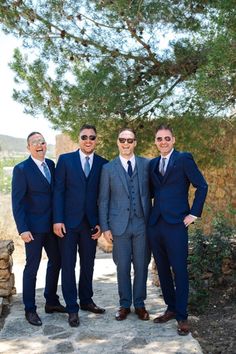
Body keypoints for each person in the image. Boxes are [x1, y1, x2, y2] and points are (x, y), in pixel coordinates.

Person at [148, 124, 208, 335]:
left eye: (166, 138)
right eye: (159, 139)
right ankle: (171, 308)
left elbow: (202, 186)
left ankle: (182, 316)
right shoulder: (153, 164)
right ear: (156, 142)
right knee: (162, 269)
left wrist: (193, 214)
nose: (163, 142)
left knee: (179, 270)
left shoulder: (183, 159)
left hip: (176, 225)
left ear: (173, 140)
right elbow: (149, 193)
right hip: (155, 225)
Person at [53, 124, 108, 327]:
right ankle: (72, 308)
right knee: (68, 266)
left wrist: (101, 223)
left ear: (96, 140)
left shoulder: (103, 163)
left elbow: (103, 197)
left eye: (92, 137)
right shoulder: (66, 160)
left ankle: (86, 300)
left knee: (88, 264)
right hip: (67, 223)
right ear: (79, 138)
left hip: (90, 225)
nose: (88, 140)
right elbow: (58, 191)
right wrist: (57, 220)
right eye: (84, 136)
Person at [11, 132, 65, 327]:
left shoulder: (51, 165)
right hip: (33, 229)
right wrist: (23, 229)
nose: (40, 145)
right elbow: (16, 202)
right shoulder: (21, 169)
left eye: (42, 142)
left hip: (52, 227)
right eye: (35, 143)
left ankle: (51, 301)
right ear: (28, 148)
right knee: (32, 268)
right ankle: (30, 308)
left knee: (57, 261)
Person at [99, 128, 151, 321]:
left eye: (130, 140)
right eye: (122, 140)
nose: (126, 143)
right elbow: (103, 200)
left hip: (142, 224)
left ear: (135, 143)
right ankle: (124, 305)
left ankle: (139, 304)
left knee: (141, 265)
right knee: (122, 267)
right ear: (117, 142)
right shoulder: (108, 168)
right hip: (118, 225)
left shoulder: (146, 165)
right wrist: (105, 227)